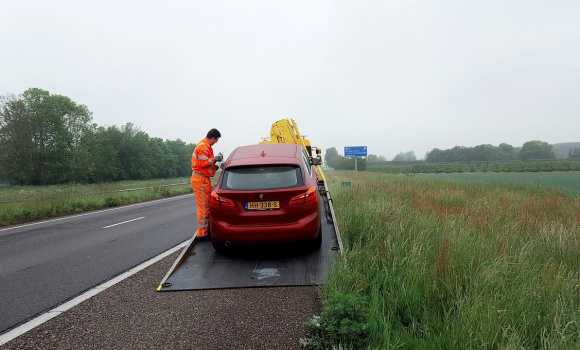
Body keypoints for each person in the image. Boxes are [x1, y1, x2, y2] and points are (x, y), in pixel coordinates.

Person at [191, 128, 222, 240]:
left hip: (203, 179)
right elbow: (203, 163)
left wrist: (215, 164)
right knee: (204, 208)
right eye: (216, 140)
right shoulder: (203, 147)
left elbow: (205, 164)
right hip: (200, 179)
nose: (216, 142)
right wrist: (215, 159)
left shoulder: (206, 146)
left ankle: (205, 231)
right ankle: (202, 234)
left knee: (206, 207)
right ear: (213, 137)